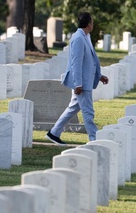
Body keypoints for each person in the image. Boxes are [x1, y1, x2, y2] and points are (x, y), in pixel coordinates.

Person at [46, 11, 108, 144]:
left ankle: (54, 133)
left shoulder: (86, 37)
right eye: (92, 22)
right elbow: (76, 63)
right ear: (88, 24)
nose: (93, 24)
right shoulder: (78, 38)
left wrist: (99, 76)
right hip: (82, 83)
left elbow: (90, 61)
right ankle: (94, 139)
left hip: (86, 80)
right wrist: (78, 84)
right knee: (88, 112)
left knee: (73, 108)